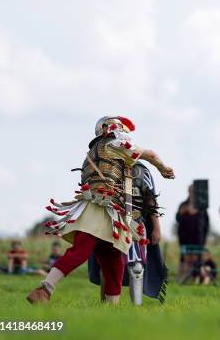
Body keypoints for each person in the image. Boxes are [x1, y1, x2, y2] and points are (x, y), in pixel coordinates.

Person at [27, 116, 174, 305]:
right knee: (80, 252)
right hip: (99, 210)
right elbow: (151, 155)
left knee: (114, 264)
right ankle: (45, 289)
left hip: (109, 213)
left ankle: (111, 310)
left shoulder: (93, 151)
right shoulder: (115, 145)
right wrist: (163, 168)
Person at [88, 162, 168, 304]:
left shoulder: (141, 170)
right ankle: (106, 305)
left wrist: (156, 227)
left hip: (135, 223)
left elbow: (150, 199)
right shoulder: (103, 166)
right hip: (109, 223)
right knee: (106, 266)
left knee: (137, 268)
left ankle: (137, 307)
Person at [177, 199, 202, 283]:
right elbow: (177, 217)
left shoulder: (200, 204)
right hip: (184, 238)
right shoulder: (183, 204)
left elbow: (204, 220)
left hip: (196, 238)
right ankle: (182, 279)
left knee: (195, 260)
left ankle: (195, 278)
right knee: (184, 259)